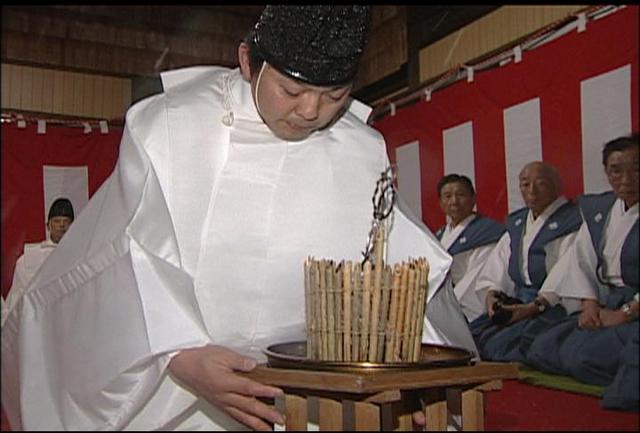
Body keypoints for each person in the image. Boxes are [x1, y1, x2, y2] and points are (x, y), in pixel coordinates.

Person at [1, 6, 474, 431]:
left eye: (334, 94)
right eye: (291, 89)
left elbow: (397, 274)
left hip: (311, 387)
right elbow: (130, 252)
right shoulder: (169, 125)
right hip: (180, 385)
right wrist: (178, 354)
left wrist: (408, 371)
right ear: (248, 61)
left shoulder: (360, 150)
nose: (310, 111)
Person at [527, 134, 639, 412]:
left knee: (583, 359)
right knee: (543, 348)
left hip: (634, 306)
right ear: (606, 172)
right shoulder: (600, 209)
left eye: (637, 168)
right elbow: (583, 260)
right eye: (616, 169)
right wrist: (589, 304)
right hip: (606, 303)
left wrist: (626, 312)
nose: (626, 178)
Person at [468, 161, 582, 362]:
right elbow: (500, 264)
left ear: (556, 185)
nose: (532, 191)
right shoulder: (518, 222)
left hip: (552, 303)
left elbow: (569, 269)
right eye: (525, 184)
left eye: (541, 184)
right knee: (471, 337)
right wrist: (492, 294)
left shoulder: (571, 220)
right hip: (518, 301)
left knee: (500, 347)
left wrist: (536, 305)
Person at [435, 174, 505, 322]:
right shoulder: (439, 235)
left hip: (463, 306)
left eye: (460, 195)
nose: (454, 201)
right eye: (447, 196)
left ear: (473, 199)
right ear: (440, 203)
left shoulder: (486, 232)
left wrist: (450, 306)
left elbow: (475, 276)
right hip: (440, 302)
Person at [1, 197, 74, 325]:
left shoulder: (82, 254)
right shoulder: (30, 258)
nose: (62, 226)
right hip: (39, 321)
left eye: (66, 221)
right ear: (48, 226)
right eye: (57, 221)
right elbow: (18, 297)